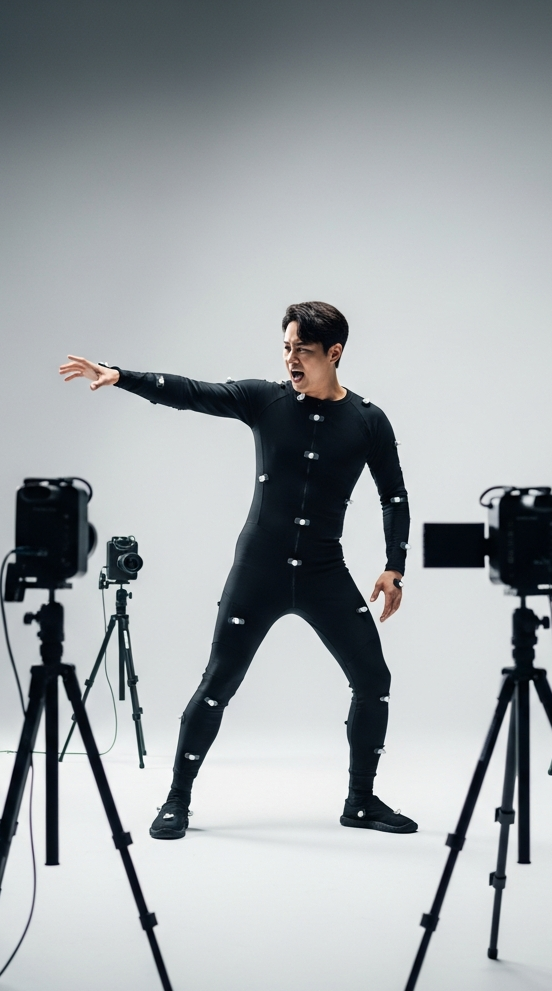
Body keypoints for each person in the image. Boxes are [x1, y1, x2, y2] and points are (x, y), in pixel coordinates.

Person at [60, 301, 416, 839]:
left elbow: (394, 496)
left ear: (334, 353)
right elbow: (192, 393)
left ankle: (360, 802)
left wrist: (394, 566)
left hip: (324, 571)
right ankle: (177, 801)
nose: (291, 359)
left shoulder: (368, 420)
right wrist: (120, 377)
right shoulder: (265, 399)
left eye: (304, 349)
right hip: (259, 571)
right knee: (217, 683)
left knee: (374, 680)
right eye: (286, 347)